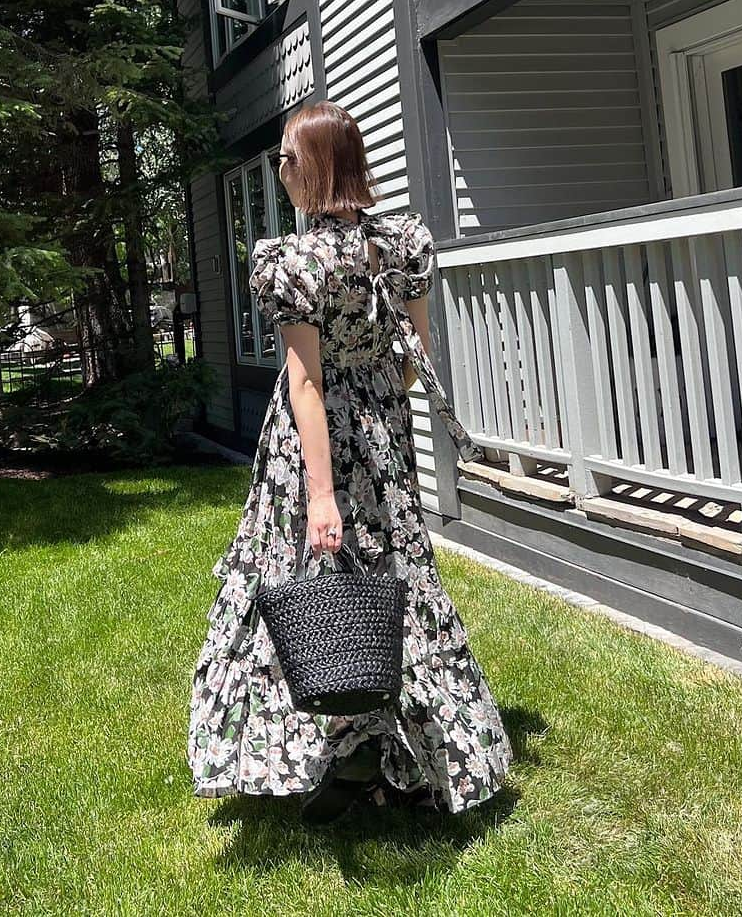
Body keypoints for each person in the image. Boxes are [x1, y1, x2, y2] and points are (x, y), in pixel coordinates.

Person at [186, 101, 513, 824]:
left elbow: (305, 382)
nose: (279, 171)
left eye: (286, 158)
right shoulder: (402, 242)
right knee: (396, 585)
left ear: (315, 167)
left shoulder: (293, 261)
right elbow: (414, 357)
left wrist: (324, 493)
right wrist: (373, 404)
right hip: (384, 439)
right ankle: (413, 754)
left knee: (310, 584)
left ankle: (335, 751)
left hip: (313, 449)